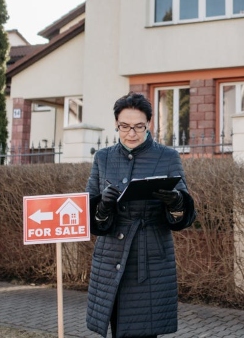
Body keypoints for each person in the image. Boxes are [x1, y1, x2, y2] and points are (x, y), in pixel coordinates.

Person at [85, 92, 197, 338]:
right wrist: (103, 209)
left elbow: (184, 214)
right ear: (116, 124)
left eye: (138, 126)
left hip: (150, 259)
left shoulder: (167, 157)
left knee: (144, 332)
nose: (131, 133)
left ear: (149, 124)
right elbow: (89, 214)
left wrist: (176, 202)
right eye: (124, 126)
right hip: (110, 258)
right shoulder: (103, 158)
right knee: (117, 330)